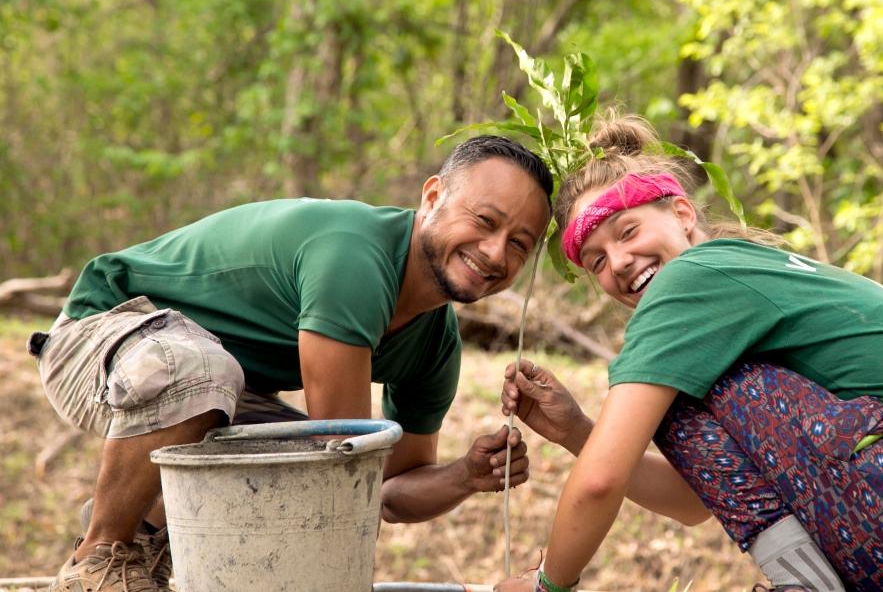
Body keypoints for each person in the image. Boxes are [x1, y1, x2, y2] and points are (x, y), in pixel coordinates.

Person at [494, 115, 883, 592]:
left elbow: (599, 481)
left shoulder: (691, 278)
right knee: (681, 388)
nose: (618, 261)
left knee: (678, 393)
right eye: (595, 261)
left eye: (629, 230)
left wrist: (548, 586)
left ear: (683, 213)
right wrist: (575, 432)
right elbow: (693, 502)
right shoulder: (746, 272)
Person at [27, 135, 553, 592]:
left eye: (519, 245)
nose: (494, 252)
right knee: (266, 428)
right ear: (433, 195)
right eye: (484, 221)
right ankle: (98, 557)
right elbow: (341, 459)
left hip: (211, 392)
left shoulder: (435, 345)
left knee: (284, 468)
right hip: (99, 338)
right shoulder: (356, 255)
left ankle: (145, 538)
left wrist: (465, 475)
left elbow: (386, 493)